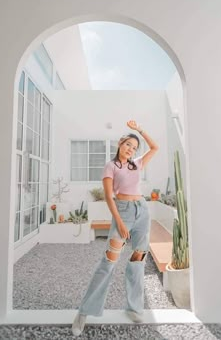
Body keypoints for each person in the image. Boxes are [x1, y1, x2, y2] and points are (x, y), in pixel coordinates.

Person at [72, 120, 159, 336]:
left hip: (142, 211)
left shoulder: (136, 164)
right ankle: (84, 312)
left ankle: (134, 307)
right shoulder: (110, 167)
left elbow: (155, 147)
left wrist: (140, 130)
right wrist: (119, 221)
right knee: (109, 262)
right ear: (120, 143)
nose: (131, 149)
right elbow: (110, 198)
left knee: (138, 260)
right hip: (123, 211)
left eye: (134, 148)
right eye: (128, 144)